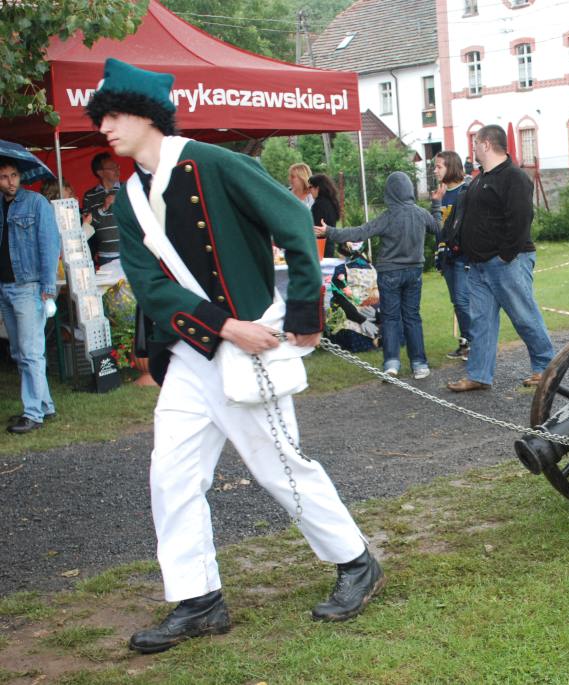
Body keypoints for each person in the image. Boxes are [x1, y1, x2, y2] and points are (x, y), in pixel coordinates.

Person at [85, 58, 384, 654]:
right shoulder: (129, 198)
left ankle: (355, 562)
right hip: (196, 352)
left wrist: (302, 312)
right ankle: (198, 600)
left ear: (147, 115)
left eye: (115, 115)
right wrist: (224, 327)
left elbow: (296, 224)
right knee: (170, 476)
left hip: (251, 348)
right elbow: (151, 286)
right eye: (103, 118)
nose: (106, 128)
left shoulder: (216, 164)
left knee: (280, 467)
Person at [446, 124, 555, 392]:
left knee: (523, 315)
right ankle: (479, 375)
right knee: (480, 321)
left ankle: (547, 368)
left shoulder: (514, 178)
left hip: (507, 262)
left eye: (475, 144)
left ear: (486, 144)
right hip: (479, 265)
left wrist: (506, 255)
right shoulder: (480, 179)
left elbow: (520, 219)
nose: (472, 150)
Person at [315, 172, 433, 380]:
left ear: (389, 192)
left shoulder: (388, 217)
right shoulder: (421, 214)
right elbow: (438, 229)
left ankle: (391, 364)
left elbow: (360, 232)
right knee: (412, 317)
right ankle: (419, 364)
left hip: (389, 274)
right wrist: (438, 205)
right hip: (414, 272)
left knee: (390, 317)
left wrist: (329, 231)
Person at [0, 160, 60, 434]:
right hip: (5, 287)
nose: (10, 181)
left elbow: (50, 245)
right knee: (19, 352)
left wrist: (48, 287)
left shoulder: (36, 203)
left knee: (31, 352)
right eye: (3, 176)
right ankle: (45, 406)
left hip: (28, 286)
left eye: (13, 175)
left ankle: (33, 412)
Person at [430, 150, 472, 361]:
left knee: (464, 301)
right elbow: (438, 230)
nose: (434, 170)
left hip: (464, 257)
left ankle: (475, 343)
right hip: (446, 256)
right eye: (434, 166)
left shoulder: (466, 191)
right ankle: (465, 343)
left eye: (439, 166)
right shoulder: (441, 194)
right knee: (457, 300)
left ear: (451, 167)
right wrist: (436, 203)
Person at [81, 152, 122, 266]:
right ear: (100, 172)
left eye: (117, 166)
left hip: (129, 253)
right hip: (105, 255)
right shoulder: (89, 196)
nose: (117, 170)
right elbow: (88, 226)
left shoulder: (127, 189)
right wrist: (103, 208)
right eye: (112, 168)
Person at [309, 173, 341, 258]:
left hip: (320, 246)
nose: (309, 190)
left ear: (317, 188)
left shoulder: (319, 205)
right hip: (329, 245)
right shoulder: (332, 202)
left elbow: (315, 228)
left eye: (310, 187)